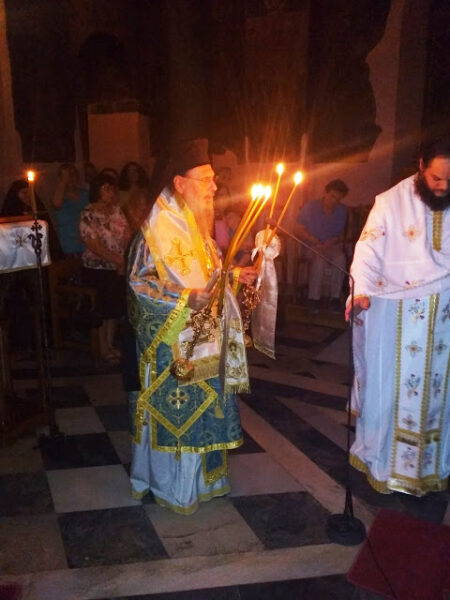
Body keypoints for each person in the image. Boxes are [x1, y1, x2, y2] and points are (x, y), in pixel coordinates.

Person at [127, 139, 256, 514]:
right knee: (180, 416)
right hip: (173, 346)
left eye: (213, 179)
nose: (214, 187)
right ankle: (172, 487)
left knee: (207, 410)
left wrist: (235, 277)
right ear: (180, 183)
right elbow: (137, 285)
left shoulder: (197, 226)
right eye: (205, 179)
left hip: (206, 341)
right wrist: (183, 299)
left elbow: (210, 275)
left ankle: (204, 481)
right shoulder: (153, 232)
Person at [346, 136, 450, 497]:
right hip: (396, 317)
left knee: (439, 393)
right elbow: (367, 250)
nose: (443, 186)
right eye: (436, 178)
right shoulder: (390, 202)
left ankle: (431, 466)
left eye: (449, 180)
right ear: (421, 167)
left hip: (444, 321)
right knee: (389, 388)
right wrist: (360, 289)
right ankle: (385, 463)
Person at [79, 173, 130, 362]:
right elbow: (94, 245)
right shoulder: (88, 214)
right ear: (97, 191)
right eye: (106, 188)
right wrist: (118, 261)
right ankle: (102, 347)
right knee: (104, 305)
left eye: (112, 188)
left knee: (115, 308)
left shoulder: (117, 210)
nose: (111, 192)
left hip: (118, 265)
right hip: (97, 268)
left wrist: (124, 259)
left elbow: (127, 234)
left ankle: (110, 344)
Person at [295, 179, 349, 312]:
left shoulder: (342, 211)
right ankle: (313, 298)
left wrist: (332, 241)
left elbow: (342, 234)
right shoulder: (310, 207)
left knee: (340, 259)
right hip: (312, 245)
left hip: (331, 246)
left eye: (338, 199)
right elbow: (298, 229)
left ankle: (335, 298)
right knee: (319, 260)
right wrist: (313, 240)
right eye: (332, 196)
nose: (334, 201)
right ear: (325, 193)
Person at [52, 163, 89, 255]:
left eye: (73, 174)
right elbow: (57, 204)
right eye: (68, 175)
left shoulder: (85, 194)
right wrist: (64, 182)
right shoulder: (58, 195)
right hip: (68, 238)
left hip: (85, 235)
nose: (71, 178)